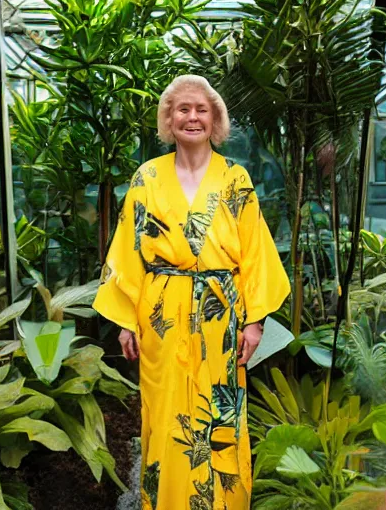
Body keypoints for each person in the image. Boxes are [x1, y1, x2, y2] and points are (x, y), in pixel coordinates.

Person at [93, 75, 290, 509]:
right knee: (164, 417)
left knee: (217, 416)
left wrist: (255, 321)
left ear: (215, 118)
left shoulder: (235, 179)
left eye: (201, 109)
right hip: (160, 315)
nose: (192, 117)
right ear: (169, 119)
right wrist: (125, 321)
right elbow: (128, 253)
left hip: (220, 317)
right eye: (182, 109)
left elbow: (256, 252)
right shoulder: (146, 177)